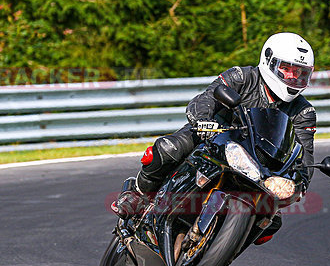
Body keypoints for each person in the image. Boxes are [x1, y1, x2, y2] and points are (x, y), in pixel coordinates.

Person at [111, 32, 317, 242]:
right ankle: (138, 194)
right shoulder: (241, 77)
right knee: (168, 149)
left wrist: (298, 182)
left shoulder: (303, 113)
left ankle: (213, 258)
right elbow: (205, 100)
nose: (293, 77)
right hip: (213, 136)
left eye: (300, 72)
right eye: (286, 69)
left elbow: (305, 157)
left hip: (259, 166)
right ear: (268, 60)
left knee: (270, 222)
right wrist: (203, 121)